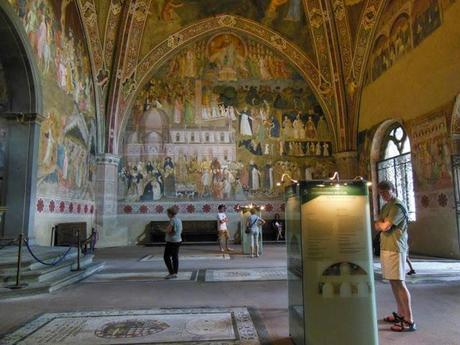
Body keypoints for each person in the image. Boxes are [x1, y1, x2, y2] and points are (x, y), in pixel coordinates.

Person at [374, 181, 416, 332]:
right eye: (381, 193)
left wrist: (382, 224)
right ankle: (400, 313)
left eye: (386, 192)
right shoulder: (386, 206)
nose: (383, 195)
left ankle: (409, 320)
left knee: (400, 283)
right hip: (387, 247)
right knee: (393, 282)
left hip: (396, 248)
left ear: (393, 190)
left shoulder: (397, 206)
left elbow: (384, 226)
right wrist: (381, 224)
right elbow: (376, 225)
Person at [163, 206, 182, 279]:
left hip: (172, 241)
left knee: (166, 257)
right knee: (175, 257)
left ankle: (171, 273)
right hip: (178, 240)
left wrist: (164, 230)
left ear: (170, 214)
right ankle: (175, 273)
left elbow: (169, 230)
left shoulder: (172, 220)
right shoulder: (179, 220)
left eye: (168, 213)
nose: (167, 215)